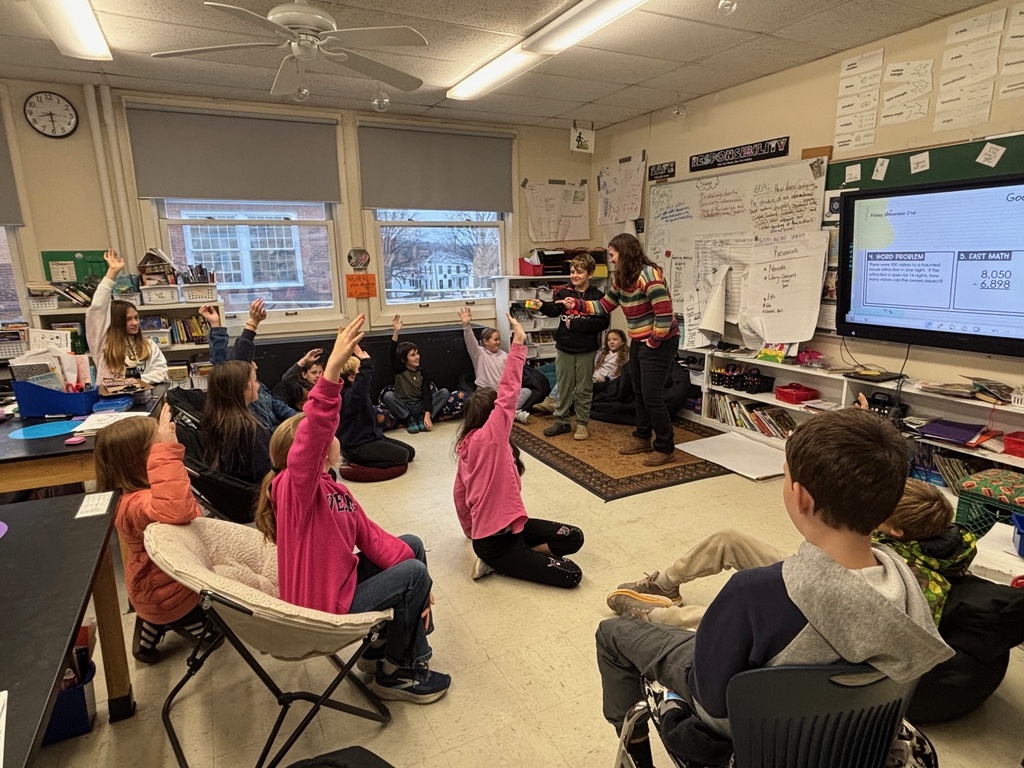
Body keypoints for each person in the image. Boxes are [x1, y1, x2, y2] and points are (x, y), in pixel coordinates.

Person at [596, 408, 953, 768]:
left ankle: (634, 748)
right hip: (851, 738)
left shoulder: (754, 592)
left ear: (800, 498)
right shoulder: (909, 589)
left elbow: (712, 699)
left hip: (750, 730)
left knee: (612, 633)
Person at [255, 314, 451, 704]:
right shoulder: (296, 488)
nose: (333, 436)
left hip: (339, 585)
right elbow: (311, 436)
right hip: (320, 607)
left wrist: (425, 585)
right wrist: (328, 376)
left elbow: (373, 537)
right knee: (411, 574)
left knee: (411, 547)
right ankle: (400, 672)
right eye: (327, 435)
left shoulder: (333, 489)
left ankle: (381, 651)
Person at [454, 314, 585, 587]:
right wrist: (519, 342)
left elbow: (459, 496)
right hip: (493, 543)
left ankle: (522, 556)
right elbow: (508, 392)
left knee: (574, 536)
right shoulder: (489, 439)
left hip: (514, 528)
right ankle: (504, 561)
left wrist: (469, 531)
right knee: (572, 574)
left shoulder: (480, 442)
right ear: (492, 417)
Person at [96, 404, 213, 664]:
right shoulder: (136, 504)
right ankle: (172, 625)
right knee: (212, 635)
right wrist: (169, 456)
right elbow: (180, 510)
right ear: (141, 460)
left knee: (154, 612)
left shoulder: (132, 495)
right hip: (171, 591)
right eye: (157, 445)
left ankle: (148, 633)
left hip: (151, 589)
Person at [560, 233, 679, 466]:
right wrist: (579, 304)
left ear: (624, 254)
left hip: (660, 341)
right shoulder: (622, 278)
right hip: (641, 340)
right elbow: (605, 305)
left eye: (612, 255)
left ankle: (665, 446)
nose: (611, 260)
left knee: (652, 396)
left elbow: (664, 314)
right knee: (638, 391)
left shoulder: (649, 275)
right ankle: (643, 437)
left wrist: (653, 342)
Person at [526, 254, 609, 441]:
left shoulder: (598, 296)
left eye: (579, 272)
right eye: (572, 272)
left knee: (583, 389)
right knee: (563, 386)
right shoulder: (563, 292)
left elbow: (603, 322)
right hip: (564, 348)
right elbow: (554, 310)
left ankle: (582, 423)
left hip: (586, 350)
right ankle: (561, 420)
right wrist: (541, 306)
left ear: (590, 274)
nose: (575, 275)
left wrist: (578, 325)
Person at [200, 301, 297, 429]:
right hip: (271, 440)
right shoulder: (241, 397)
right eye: (250, 364)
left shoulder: (258, 388)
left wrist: (302, 420)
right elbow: (233, 358)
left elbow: (281, 409)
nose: (255, 365)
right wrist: (252, 324)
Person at [86, 249, 168, 387]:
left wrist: (134, 380)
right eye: (128, 319)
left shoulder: (148, 345)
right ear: (116, 322)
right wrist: (111, 273)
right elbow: (96, 310)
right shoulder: (103, 344)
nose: (135, 323)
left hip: (144, 397)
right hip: (113, 402)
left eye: (136, 318)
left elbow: (162, 372)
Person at [338, 343, 415, 470]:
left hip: (370, 437)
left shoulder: (354, 392)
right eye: (360, 370)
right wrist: (366, 363)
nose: (363, 372)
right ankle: (356, 464)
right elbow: (361, 387)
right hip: (356, 445)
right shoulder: (349, 395)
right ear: (352, 377)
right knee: (402, 456)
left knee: (410, 452)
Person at [460, 307, 533, 424]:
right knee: (480, 402)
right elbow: (470, 341)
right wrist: (466, 325)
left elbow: (514, 370)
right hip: (486, 393)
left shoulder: (504, 355)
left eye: (499, 339)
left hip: (502, 395)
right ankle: (512, 413)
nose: (498, 342)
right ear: (485, 342)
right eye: (495, 340)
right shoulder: (479, 353)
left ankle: (505, 411)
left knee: (526, 391)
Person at [202, 359, 271, 484]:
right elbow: (268, 475)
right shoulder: (252, 431)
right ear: (242, 388)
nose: (258, 385)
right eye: (255, 380)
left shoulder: (216, 421)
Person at [383, 315, 450, 433]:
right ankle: (409, 420)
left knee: (444, 392)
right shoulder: (399, 370)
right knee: (388, 396)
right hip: (405, 405)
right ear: (404, 359)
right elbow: (391, 354)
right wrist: (396, 331)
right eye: (413, 355)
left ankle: (422, 418)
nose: (417, 357)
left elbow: (426, 393)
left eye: (417, 353)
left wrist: (427, 414)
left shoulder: (423, 372)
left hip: (420, 405)